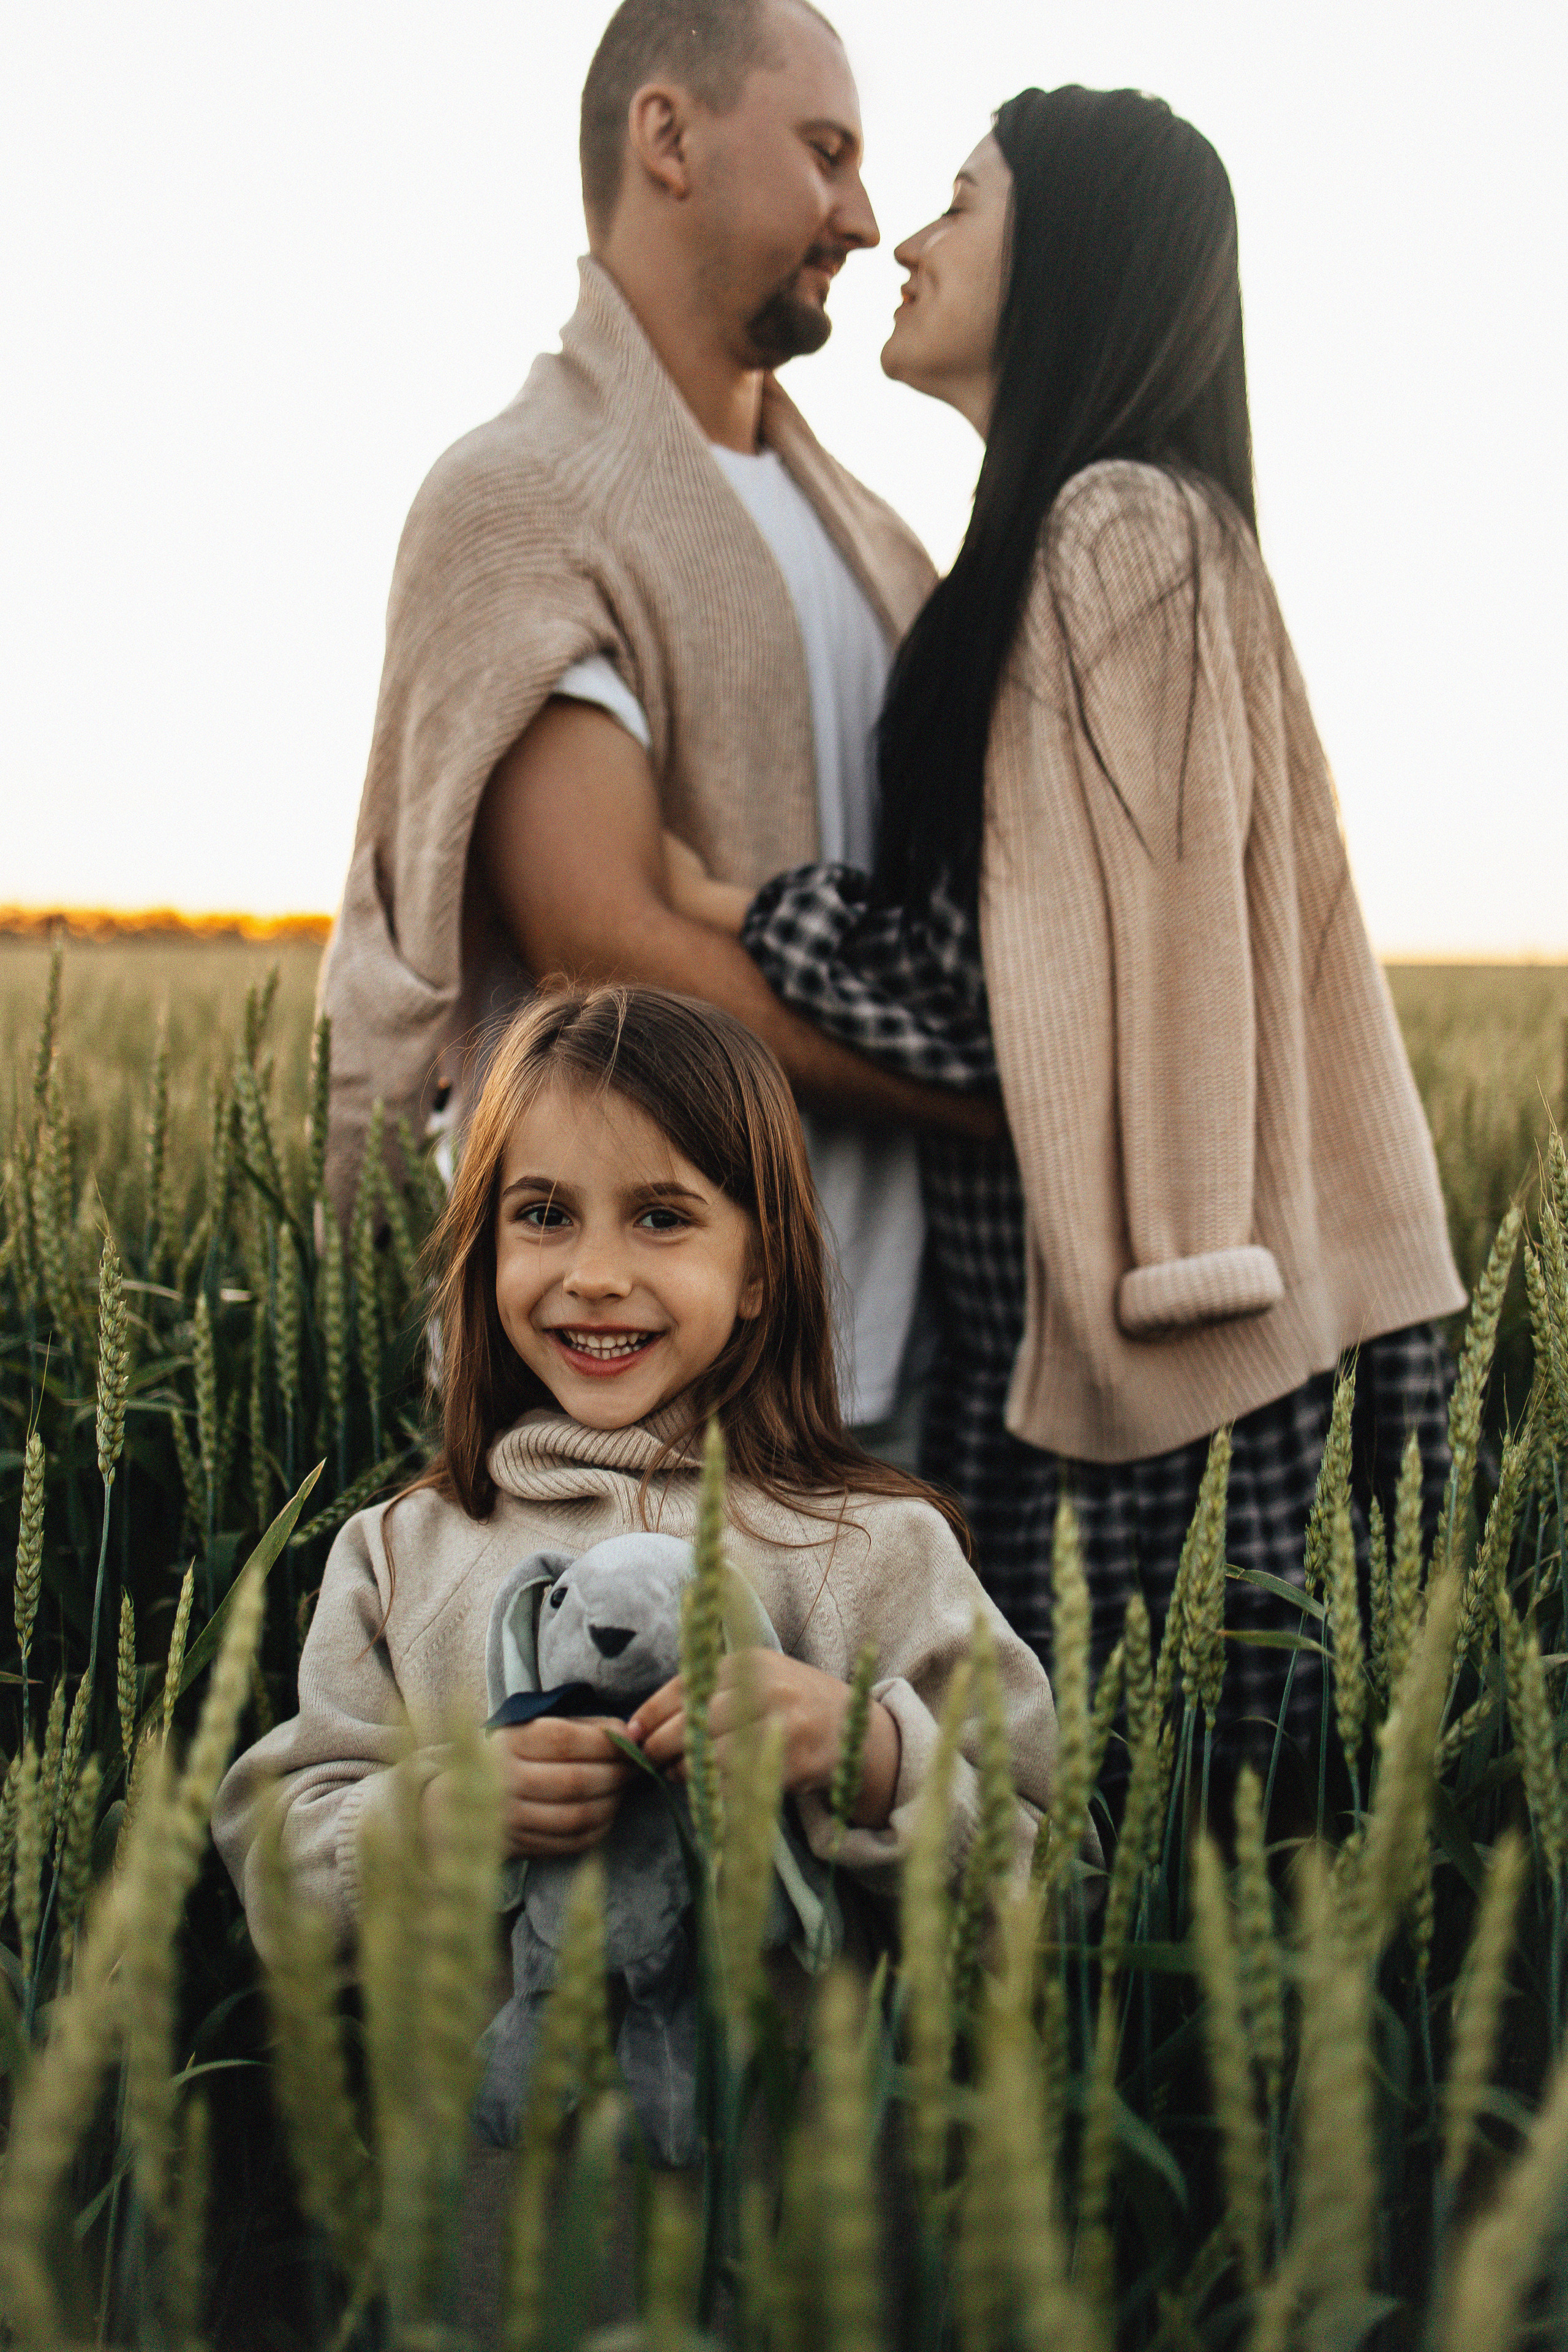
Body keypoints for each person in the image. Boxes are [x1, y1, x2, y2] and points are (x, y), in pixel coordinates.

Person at [665, 86, 1466, 1714]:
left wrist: (734, 904)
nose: (905, 239)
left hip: (1161, 1402)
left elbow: (1017, 1007)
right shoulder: (1110, 529)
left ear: (1070, 253)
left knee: (1138, 1833)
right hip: (1100, 1358)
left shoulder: (1115, 530)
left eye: (961, 201)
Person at [315, 0, 996, 1438]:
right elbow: (603, 935)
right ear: (668, 138)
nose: (863, 218)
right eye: (825, 154)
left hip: (894, 1362)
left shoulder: (877, 543)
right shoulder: (523, 494)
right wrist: (987, 1099)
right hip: (618, 1390)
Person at [213, 986, 1058, 1970]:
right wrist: (440, 1813)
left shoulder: (877, 1549)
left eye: (660, 1217)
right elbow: (276, 1883)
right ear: (487, 1249)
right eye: (544, 1215)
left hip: (797, 2078)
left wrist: (869, 1760)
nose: (597, 1275)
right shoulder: (402, 1554)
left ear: (759, 1270)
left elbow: (1055, 1887)